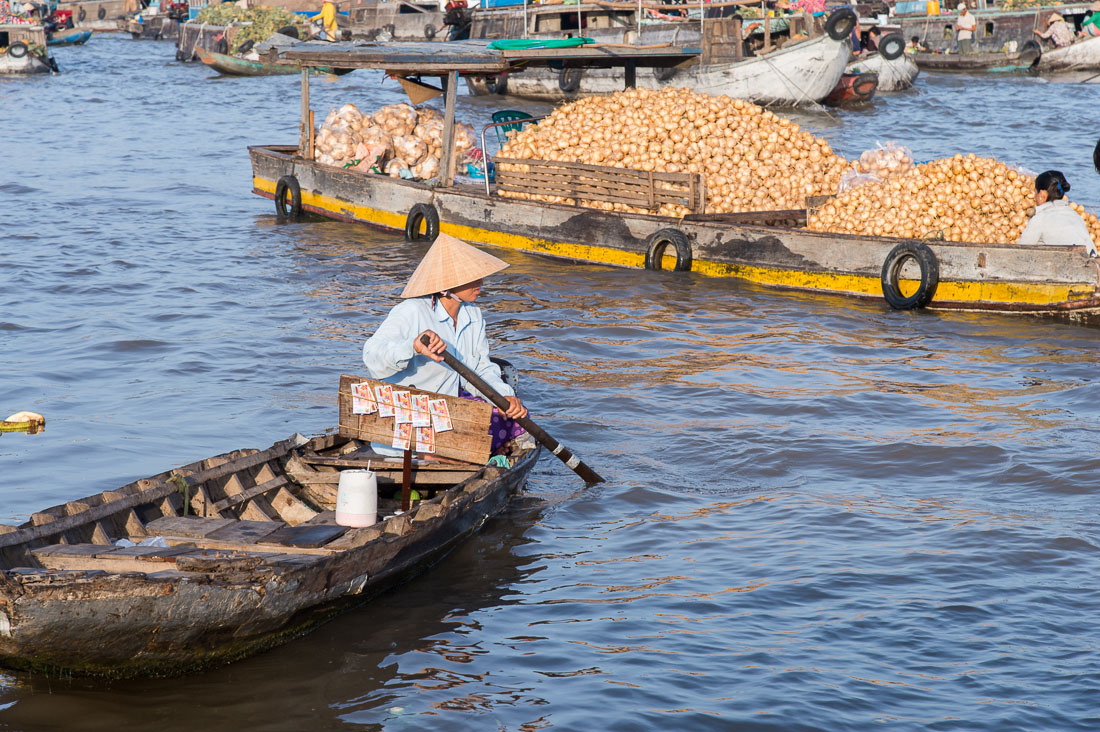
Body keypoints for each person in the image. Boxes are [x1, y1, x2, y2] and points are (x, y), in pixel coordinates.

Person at [362, 233, 527, 455]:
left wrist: (503, 395)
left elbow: (479, 369)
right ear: (445, 286)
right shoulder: (412, 311)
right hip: (409, 422)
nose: (480, 282)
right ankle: (454, 456)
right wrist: (413, 347)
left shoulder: (473, 315)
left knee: (516, 419)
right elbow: (372, 355)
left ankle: (472, 452)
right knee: (489, 441)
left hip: (447, 415)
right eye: (470, 278)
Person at [1017, 170, 1097, 255]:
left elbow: (1019, 253)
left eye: (1035, 193)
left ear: (1042, 195)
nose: (1034, 197)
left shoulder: (1040, 219)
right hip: (1091, 264)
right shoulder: (1074, 215)